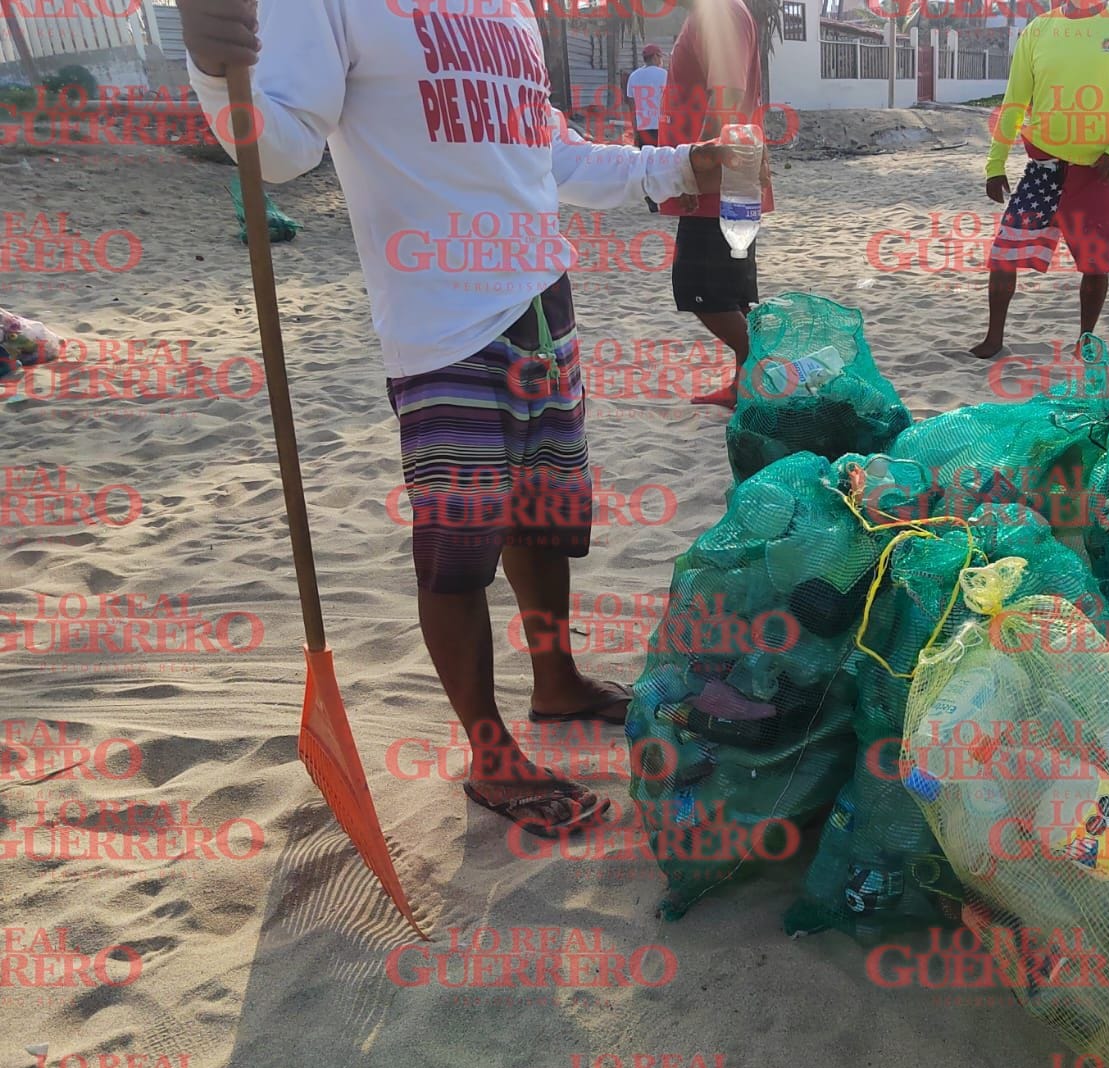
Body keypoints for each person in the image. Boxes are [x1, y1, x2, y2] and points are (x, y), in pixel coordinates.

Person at [174, 0, 736, 830]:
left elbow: (550, 154)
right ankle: (490, 751)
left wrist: (683, 166)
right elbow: (282, 147)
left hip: (544, 300)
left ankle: (556, 681)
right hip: (442, 326)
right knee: (457, 548)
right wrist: (211, 68)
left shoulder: (511, 8)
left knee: (544, 518)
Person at [972, 0, 1109, 360]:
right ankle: (994, 338)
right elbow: (1015, 102)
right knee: (1003, 254)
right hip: (1044, 166)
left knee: (1095, 264)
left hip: (1099, 170)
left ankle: (1085, 339)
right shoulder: (1039, 30)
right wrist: (995, 163)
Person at [656, 0, 774, 408]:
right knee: (730, 293)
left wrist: (692, 172)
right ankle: (744, 388)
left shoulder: (718, 10)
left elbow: (727, 98)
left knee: (701, 290)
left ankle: (765, 371)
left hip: (718, 182)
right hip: (727, 177)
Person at [627, 43, 668, 212]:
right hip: (662, 125)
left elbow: (632, 105)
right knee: (664, 162)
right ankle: (663, 197)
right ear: (656, 57)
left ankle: (650, 198)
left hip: (643, 126)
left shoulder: (634, 76)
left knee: (647, 163)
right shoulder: (665, 75)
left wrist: (635, 130)